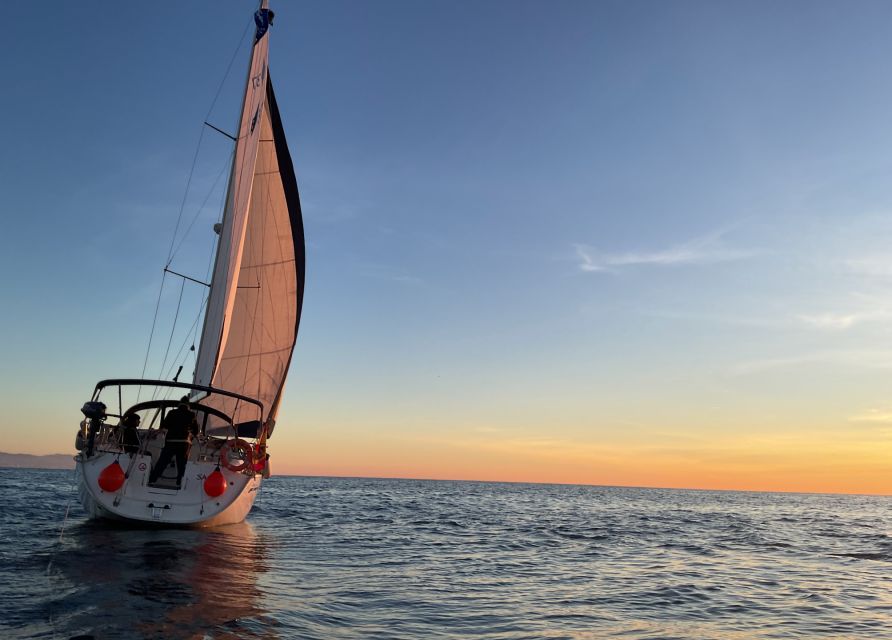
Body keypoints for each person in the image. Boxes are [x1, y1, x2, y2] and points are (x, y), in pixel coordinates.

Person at [148, 397, 198, 488]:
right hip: (184, 443)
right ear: (188, 405)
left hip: (171, 441)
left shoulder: (172, 412)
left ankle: (152, 480)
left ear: (180, 404)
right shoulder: (192, 414)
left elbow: (165, 425)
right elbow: (196, 431)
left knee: (162, 462)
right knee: (182, 464)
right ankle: (179, 483)